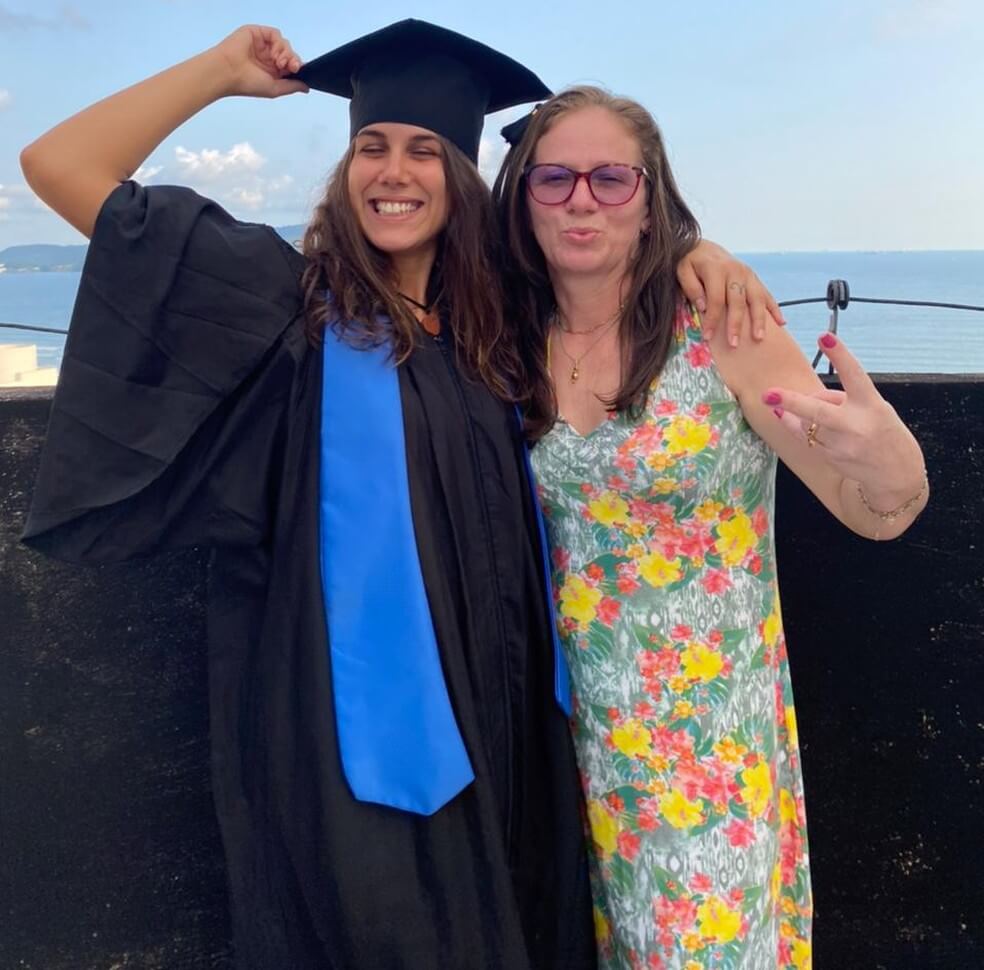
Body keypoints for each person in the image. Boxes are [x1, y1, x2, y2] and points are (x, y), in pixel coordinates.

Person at [20, 20, 777, 970]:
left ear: (461, 178)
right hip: (355, 756)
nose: (394, 171)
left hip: (508, 738)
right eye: (370, 147)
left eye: (425, 150)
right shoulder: (286, 304)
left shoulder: (498, 322)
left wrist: (695, 257)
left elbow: (606, 261)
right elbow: (57, 164)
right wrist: (219, 73)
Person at [494, 86, 928, 970]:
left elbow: (874, 509)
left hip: (706, 751)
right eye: (555, 178)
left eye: (612, 179)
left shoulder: (722, 327)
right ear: (522, 197)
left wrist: (892, 461)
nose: (582, 198)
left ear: (651, 197)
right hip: (565, 743)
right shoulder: (505, 335)